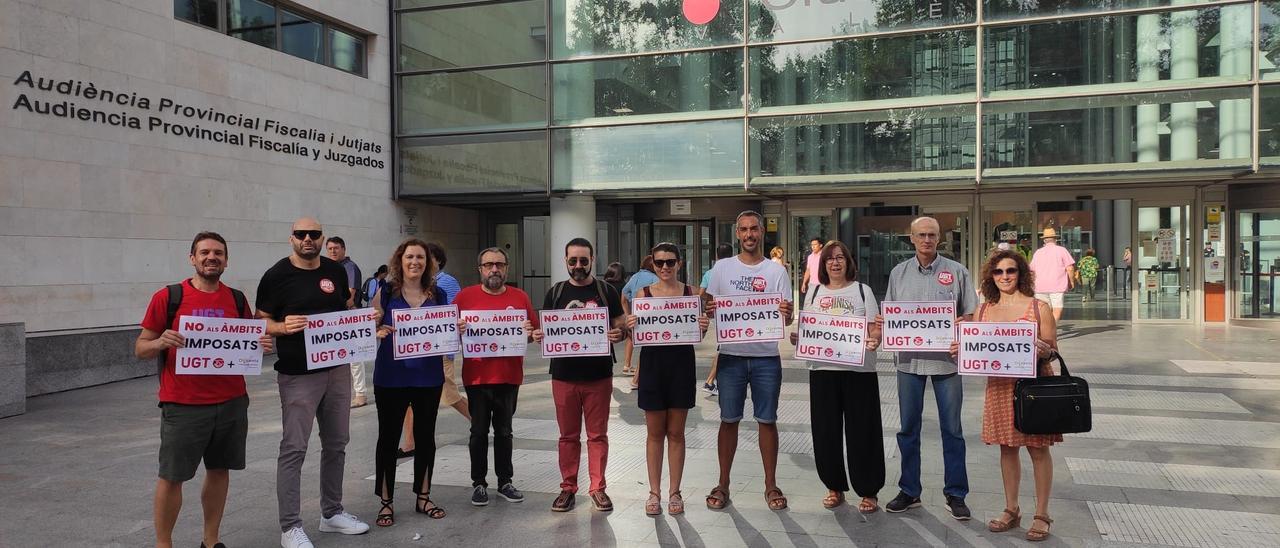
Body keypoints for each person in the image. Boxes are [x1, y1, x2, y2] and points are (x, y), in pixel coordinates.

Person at [136, 232, 273, 548]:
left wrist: (260, 345)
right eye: (205, 252)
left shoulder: (236, 298)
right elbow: (140, 347)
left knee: (219, 470)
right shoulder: (168, 297)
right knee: (172, 476)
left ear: (226, 259)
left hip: (231, 402)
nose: (212, 258)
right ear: (192, 258)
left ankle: (211, 542)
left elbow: (244, 343)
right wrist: (159, 342)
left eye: (218, 253)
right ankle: (164, 544)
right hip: (183, 404)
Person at [256, 218, 369, 548]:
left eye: (314, 234)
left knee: (337, 443)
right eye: (301, 234)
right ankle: (290, 526)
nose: (308, 239)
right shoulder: (277, 275)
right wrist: (281, 327)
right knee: (294, 448)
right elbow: (261, 321)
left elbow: (342, 313)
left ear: (322, 239)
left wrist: (365, 320)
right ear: (291, 238)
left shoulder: (335, 271)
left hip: (336, 371)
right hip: (297, 374)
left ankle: (331, 513)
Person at [952, 250, 1060, 542]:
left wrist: (1043, 349)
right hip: (1000, 386)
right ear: (991, 277)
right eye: (998, 272)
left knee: (1038, 449)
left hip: (1033, 387)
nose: (1004, 277)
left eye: (1010, 271)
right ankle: (1011, 509)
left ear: (1021, 273)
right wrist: (961, 349)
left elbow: (1053, 350)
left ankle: (1042, 513)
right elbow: (979, 349)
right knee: (1006, 448)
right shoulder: (984, 311)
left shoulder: (1039, 308)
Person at [876, 216, 977, 520]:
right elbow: (891, 316)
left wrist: (964, 326)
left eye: (932, 235)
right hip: (908, 362)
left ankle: (956, 493)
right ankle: (910, 491)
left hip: (946, 364)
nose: (927, 240)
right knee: (908, 429)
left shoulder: (957, 272)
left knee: (953, 430)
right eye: (921, 235)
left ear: (940, 238)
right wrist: (883, 326)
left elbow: (971, 315)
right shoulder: (898, 273)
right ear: (911, 238)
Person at [703, 211, 794, 512]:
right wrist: (709, 306)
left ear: (762, 233)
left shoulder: (776, 271)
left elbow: (788, 315)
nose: (749, 234)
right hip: (730, 358)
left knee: (767, 421)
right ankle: (723, 483)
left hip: (767, 357)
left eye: (754, 228)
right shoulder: (722, 268)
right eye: (743, 229)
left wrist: (786, 313)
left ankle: (771, 484)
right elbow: (706, 303)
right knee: (729, 420)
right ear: (737, 234)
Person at [530, 238, 626, 512]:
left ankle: (598, 488)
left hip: (598, 375)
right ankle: (567, 488)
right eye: (573, 261)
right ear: (566, 261)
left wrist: (619, 333)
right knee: (567, 436)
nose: (578, 266)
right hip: (563, 375)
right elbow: (546, 328)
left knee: (597, 435)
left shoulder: (605, 290)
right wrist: (539, 335)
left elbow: (620, 325)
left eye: (584, 260)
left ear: (592, 260)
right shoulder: (556, 291)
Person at [789, 240, 884, 513]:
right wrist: (800, 337)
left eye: (840, 257)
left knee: (863, 432)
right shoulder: (814, 292)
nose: (835, 262)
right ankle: (834, 486)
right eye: (830, 258)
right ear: (823, 264)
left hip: (859, 372)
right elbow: (807, 329)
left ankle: (869, 490)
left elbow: (874, 331)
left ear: (849, 262)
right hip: (823, 372)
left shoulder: (863, 292)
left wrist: (875, 340)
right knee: (825, 431)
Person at [625, 243, 710, 516]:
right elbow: (635, 335)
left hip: (681, 366)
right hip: (653, 366)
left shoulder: (692, 293)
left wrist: (704, 327)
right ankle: (654, 492)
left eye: (670, 262)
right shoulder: (643, 294)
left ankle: (675, 491)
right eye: (659, 262)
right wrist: (630, 327)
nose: (664, 267)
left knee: (676, 433)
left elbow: (699, 333)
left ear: (679, 264)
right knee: (654, 433)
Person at [369, 239, 450, 527]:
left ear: (428, 262)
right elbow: (368, 324)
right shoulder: (386, 292)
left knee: (426, 438)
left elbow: (446, 329)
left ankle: (423, 496)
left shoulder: (438, 294)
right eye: (409, 257)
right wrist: (376, 328)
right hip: (391, 377)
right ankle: (386, 501)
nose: (414, 262)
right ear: (400, 261)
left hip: (428, 377)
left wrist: (456, 328)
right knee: (388, 439)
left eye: (420, 257)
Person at [453, 247, 537, 507]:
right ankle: (478, 483)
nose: (494, 269)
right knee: (478, 432)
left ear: (507, 268)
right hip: (477, 378)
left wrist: (529, 331)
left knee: (504, 432)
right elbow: (445, 335)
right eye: (488, 265)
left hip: (509, 376)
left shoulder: (520, 297)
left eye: (499, 265)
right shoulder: (464, 297)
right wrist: (456, 329)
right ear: (480, 269)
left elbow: (534, 333)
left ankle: (505, 482)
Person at [398, 244, 470, 460]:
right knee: (409, 398)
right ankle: (410, 442)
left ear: (437, 261)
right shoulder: (413, 284)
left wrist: (450, 344)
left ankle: (480, 424)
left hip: (438, 351)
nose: (420, 262)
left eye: (425, 258)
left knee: (450, 396)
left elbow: (455, 312)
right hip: (415, 352)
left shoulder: (446, 282)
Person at [327, 236, 369, 409]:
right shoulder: (329, 268)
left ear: (344, 249)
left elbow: (350, 297)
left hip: (348, 315)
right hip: (333, 317)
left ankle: (361, 394)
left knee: (354, 357)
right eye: (329, 249)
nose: (333, 251)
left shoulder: (349, 267)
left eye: (336, 248)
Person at [700, 243, 734, 396]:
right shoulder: (734, 272)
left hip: (720, 315)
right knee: (723, 349)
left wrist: (710, 302)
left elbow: (701, 293)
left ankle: (713, 381)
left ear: (716, 256)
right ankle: (709, 381)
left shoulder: (710, 273)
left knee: (723, 348)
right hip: (731, 316)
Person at [620, 255, 658, 378]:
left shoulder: (635, 277)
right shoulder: (655, 278)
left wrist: (627, 315)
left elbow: (624, 295)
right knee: (648, 345)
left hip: (635, 313)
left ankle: (627, 365)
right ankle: (638, 376)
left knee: (631, 338)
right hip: (651, 316)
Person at [1029, 227, 1075, 321]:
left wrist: (1031, 284)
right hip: (1057, 286)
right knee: (1057, 309)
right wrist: (1072, 282)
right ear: (1055, 239)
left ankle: (1043, 331)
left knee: (1044, 311)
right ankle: (1051, 331)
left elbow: (1032, 271)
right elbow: (1070, 268)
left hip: (1040, 286)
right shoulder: (1061, 250)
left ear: (1044, 240)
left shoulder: (1038, 252)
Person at [799, 237, 823, 304]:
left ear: (820, 245)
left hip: (822, 284)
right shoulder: (810, 257)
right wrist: (804, 283)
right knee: (807, 303)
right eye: (812, 245)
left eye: (815, 244)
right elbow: (808, 270)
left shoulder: (824, 256)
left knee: (820, 304)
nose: (813, 247)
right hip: (812, 284)